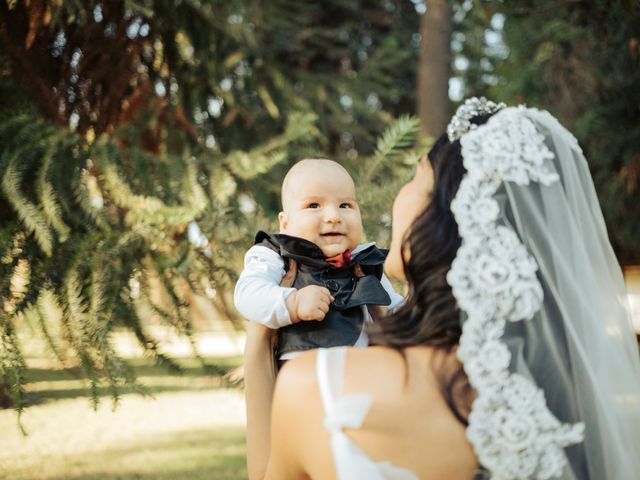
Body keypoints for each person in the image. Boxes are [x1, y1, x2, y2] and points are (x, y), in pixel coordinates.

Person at [244, 98, 640, 479]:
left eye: (416, 177)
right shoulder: (563, 401)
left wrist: (258, 343)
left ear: (446, 217)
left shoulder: (320, 389)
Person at [235, 158, 403, 364]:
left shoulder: (366, 264)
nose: (334, 216)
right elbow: (247, 293)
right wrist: (292, 303)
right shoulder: (276, 255)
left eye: (345, 205)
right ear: (285, 224)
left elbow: (397, 310)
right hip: (301, 381)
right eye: (313, 205)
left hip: (363, 378)